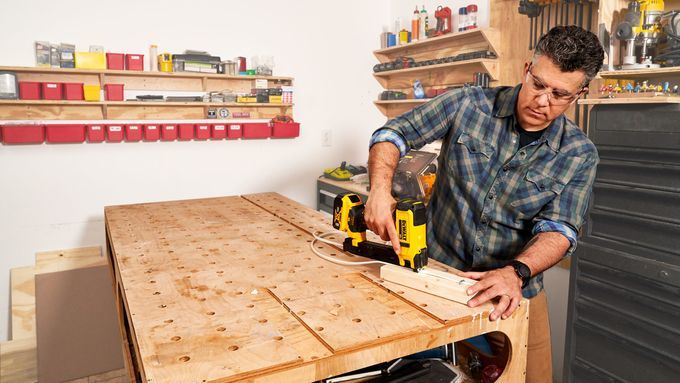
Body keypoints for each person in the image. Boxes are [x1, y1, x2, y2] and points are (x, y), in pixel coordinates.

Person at [364, 25, 604, 382]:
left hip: (513, 290)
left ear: (579, 94)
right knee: (411, 370)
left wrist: (515, 273)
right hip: (435, 274)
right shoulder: (467, 104)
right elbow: (393, 133)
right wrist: (379, 190)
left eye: (560, 94)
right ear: (527, 70)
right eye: (538, 84)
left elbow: (560, 230)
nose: (542, 102)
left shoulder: (579, 154)